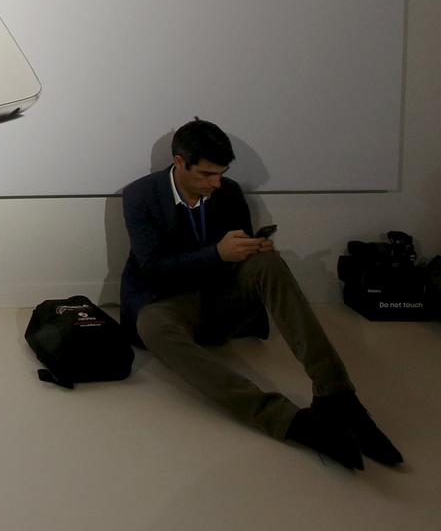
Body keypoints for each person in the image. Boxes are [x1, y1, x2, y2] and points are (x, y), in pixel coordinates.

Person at [121, 118, 402, 469]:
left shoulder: (228, 192)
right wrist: (217, 253)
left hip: (218, 298)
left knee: (268, 263)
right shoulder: (140, 196)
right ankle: (291, 421)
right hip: (165, 300)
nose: (215, 183)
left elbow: (236, 259)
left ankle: (337, 394)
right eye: (207, 174)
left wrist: (251, 250)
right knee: (152, 325)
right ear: (179, 162)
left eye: (221, 174)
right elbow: (152, 268)